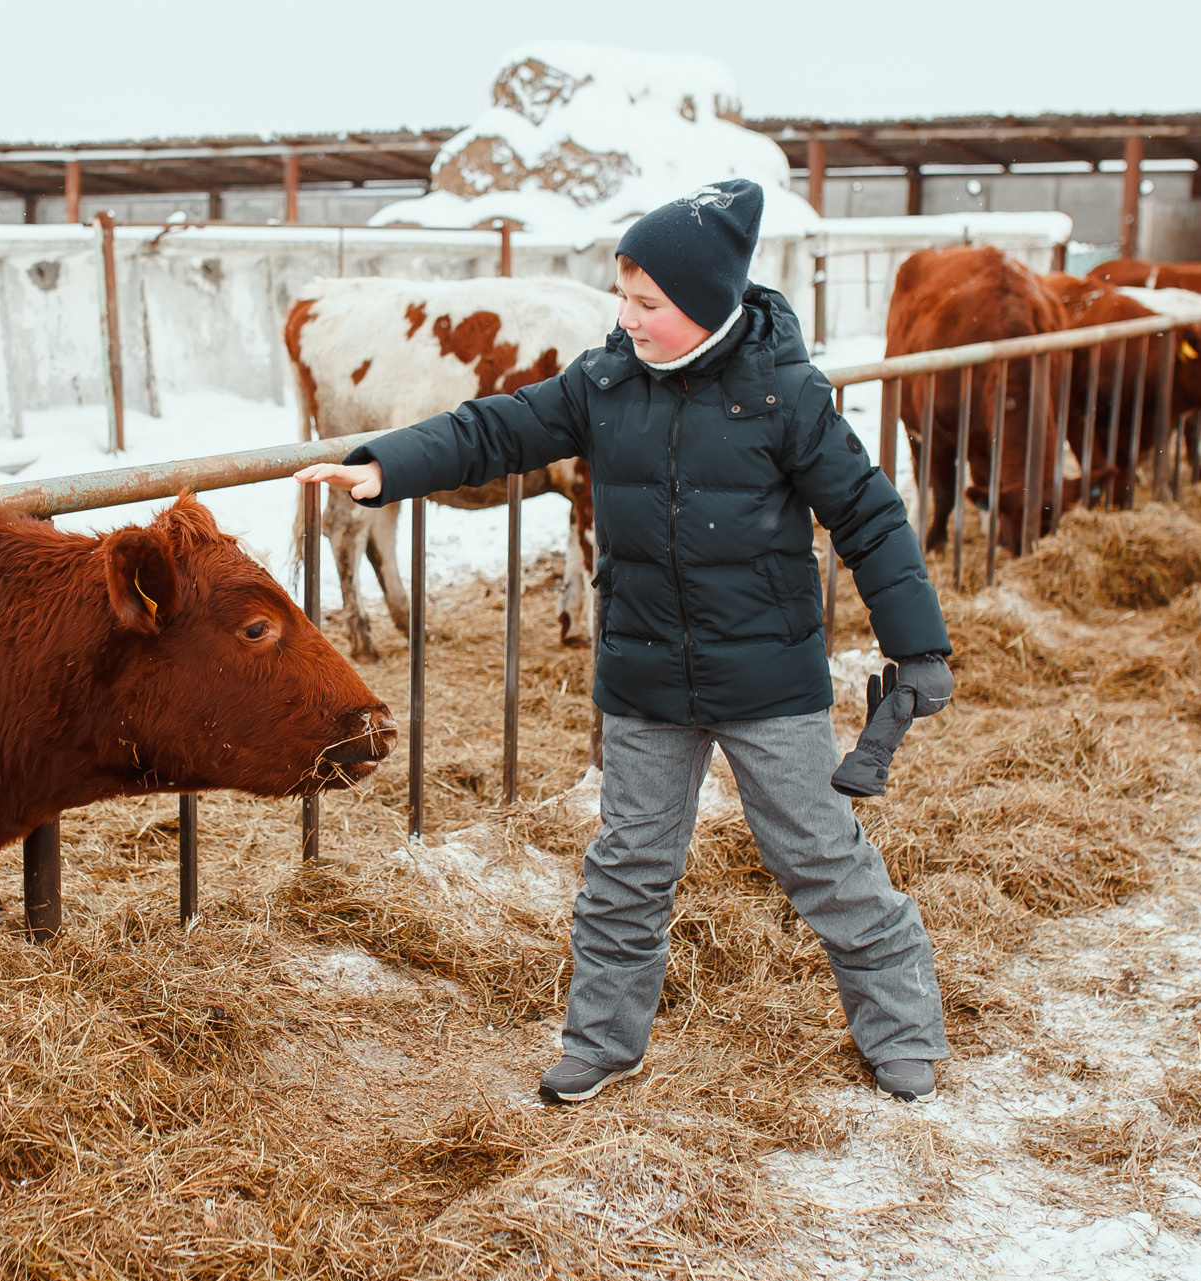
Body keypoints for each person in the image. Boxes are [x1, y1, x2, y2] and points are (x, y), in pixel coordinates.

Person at [295, 178, 954, 1105]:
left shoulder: (787, 397)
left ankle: (903, 1029)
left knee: (818, 856)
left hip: (767, 680)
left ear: (707, 305)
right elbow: (497, 427)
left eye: (648, 303)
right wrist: (386, 464)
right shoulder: (604, 384)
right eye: (624, 296)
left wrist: (917, 648)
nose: (626, 316)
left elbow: (871, 519)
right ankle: (604, 1039)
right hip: (645, 678)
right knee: (627, 866)